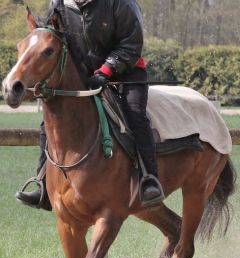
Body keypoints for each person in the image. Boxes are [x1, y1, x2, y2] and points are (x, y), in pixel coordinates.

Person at [16, 0, 164, 209]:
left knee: (135, 113)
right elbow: (52, 37)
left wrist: (106, 70)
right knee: (50, 121)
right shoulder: (58, 3)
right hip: (83, 71)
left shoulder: (122, 3)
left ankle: (149, 179)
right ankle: (42, 183)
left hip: (127, 70)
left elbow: (132, 44)